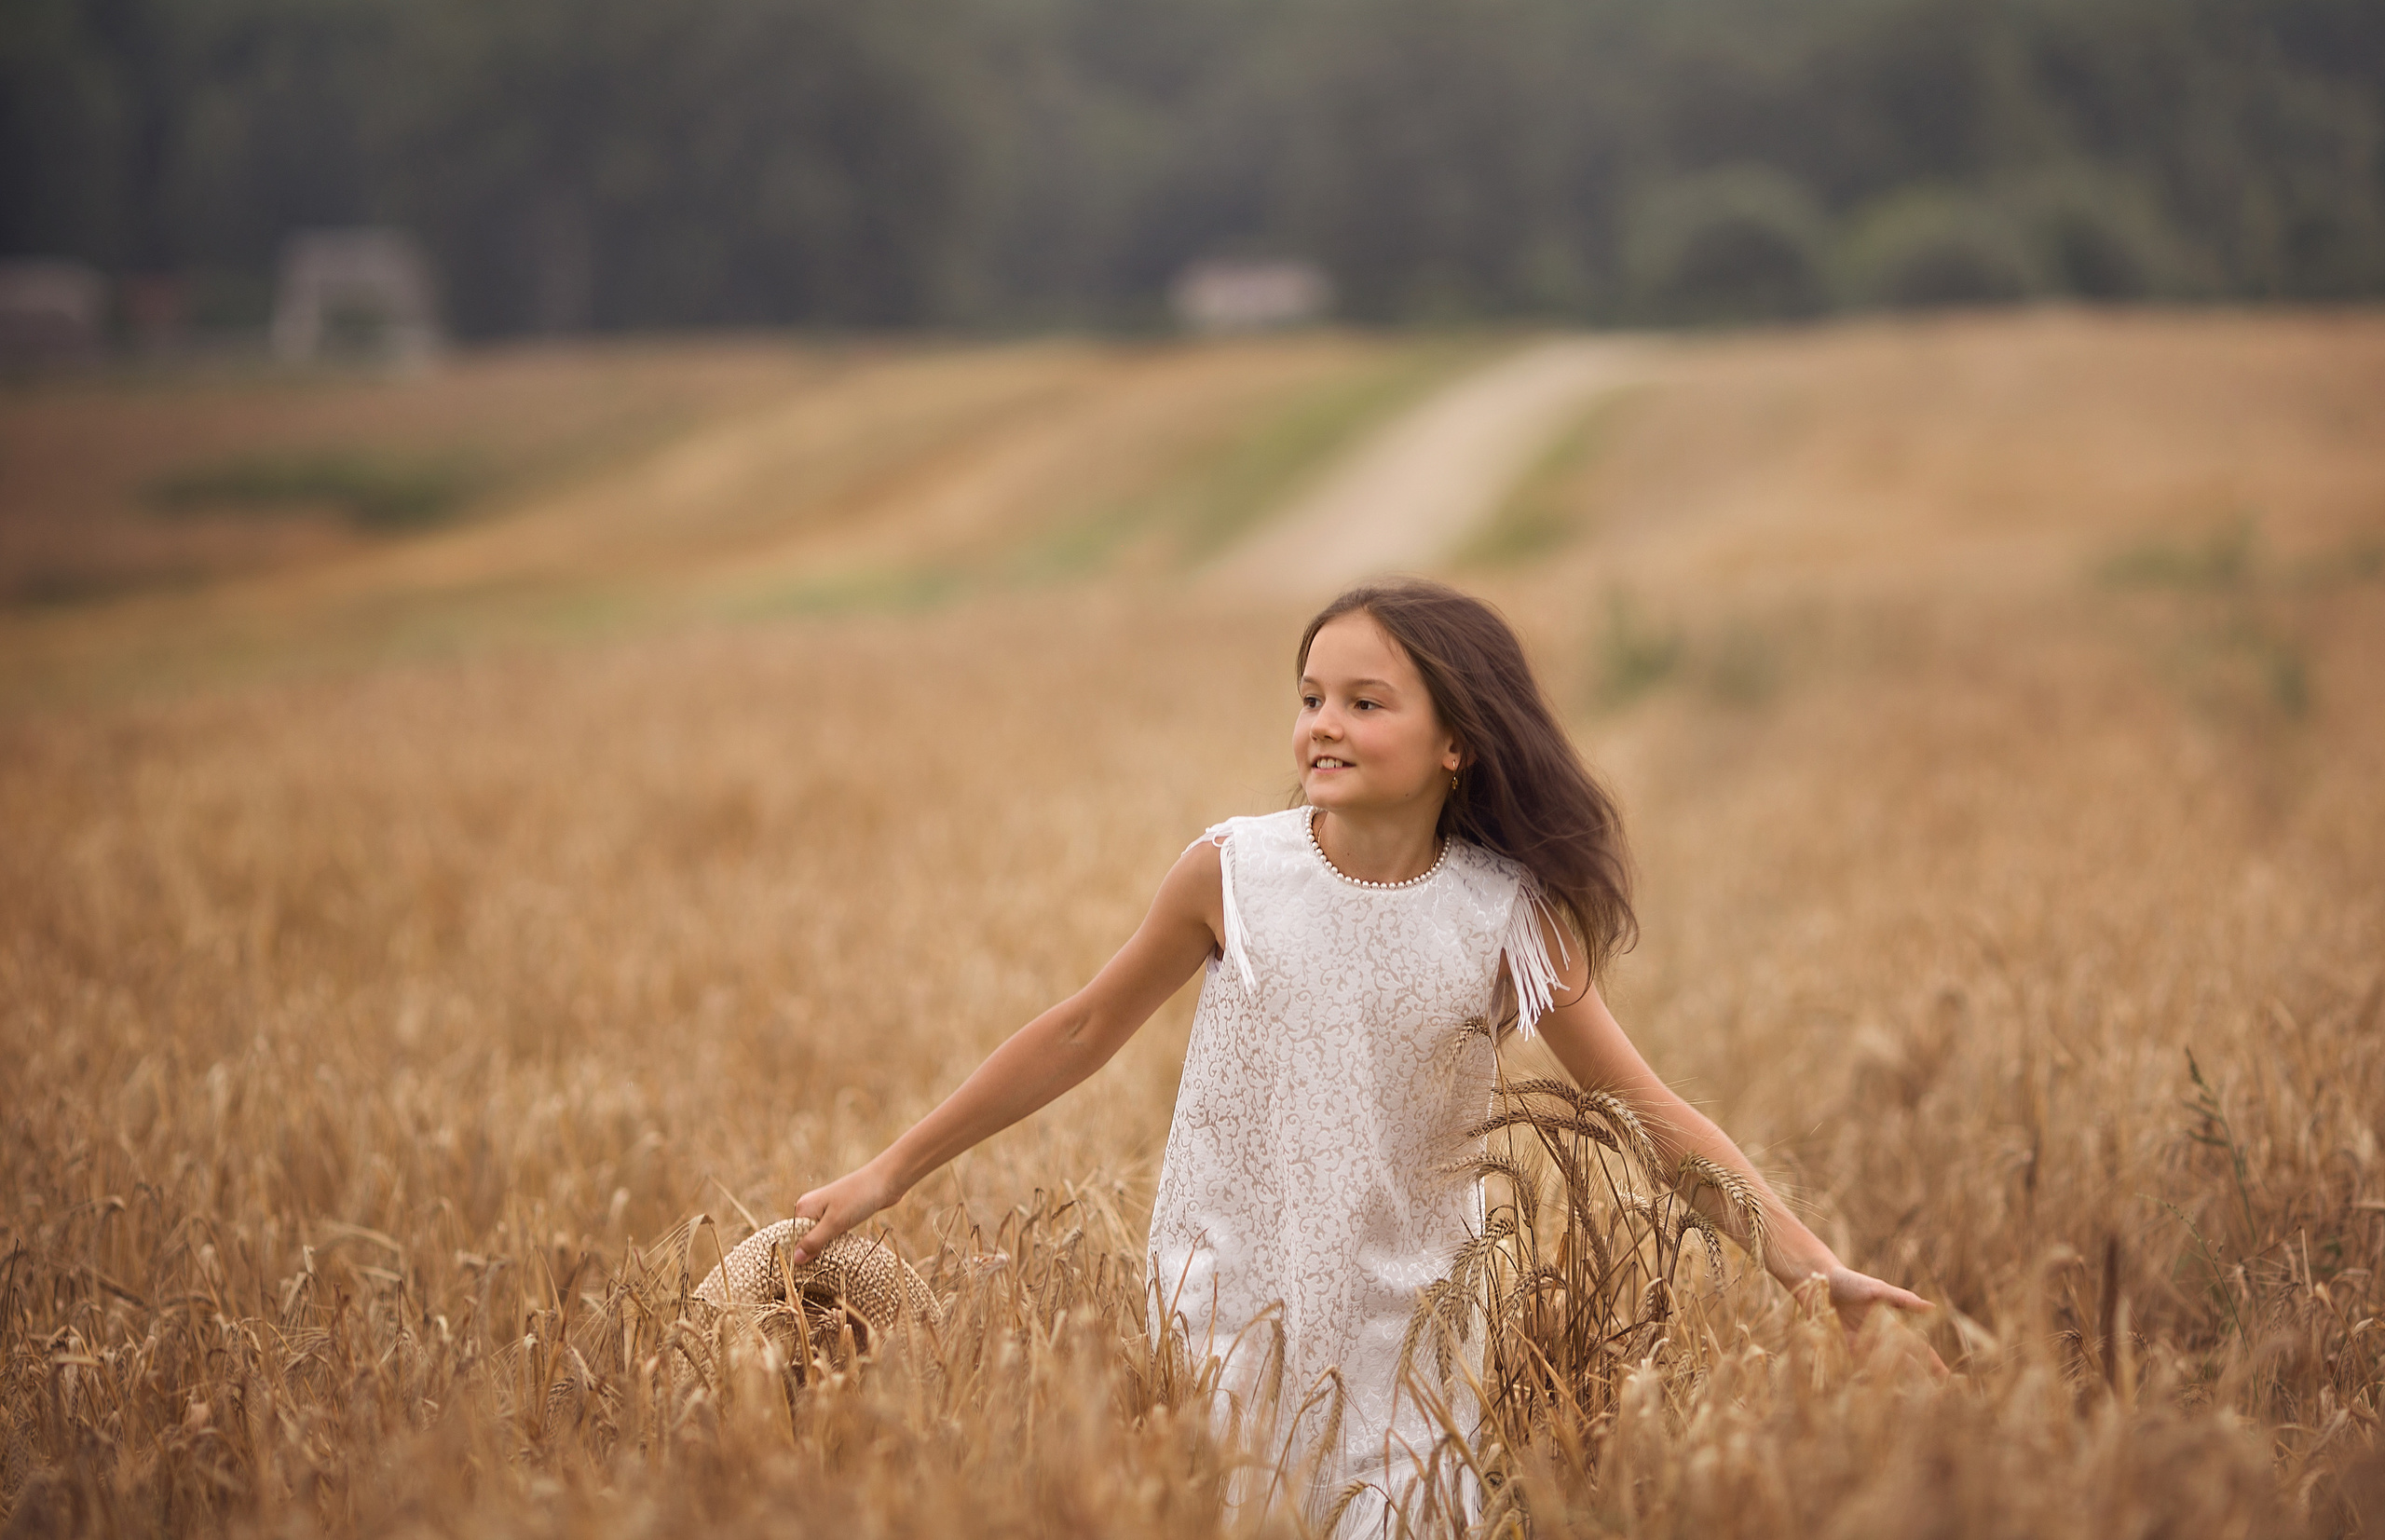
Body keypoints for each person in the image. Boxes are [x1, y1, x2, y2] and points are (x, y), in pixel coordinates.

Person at [787, 579, 1932, 1533]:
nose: (1321, 724)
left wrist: (1807, 1265)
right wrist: (887, 1172)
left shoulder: (1502, 919)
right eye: (1309, 698)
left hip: (1412, 1324)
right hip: (1228, 1300)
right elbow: (1080, 1029)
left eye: (1364, 702)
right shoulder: (1233, 873)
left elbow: (1640, 1105)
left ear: (1457, 742)